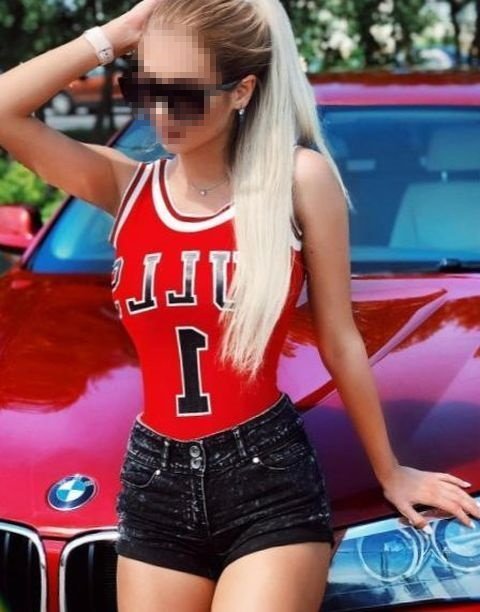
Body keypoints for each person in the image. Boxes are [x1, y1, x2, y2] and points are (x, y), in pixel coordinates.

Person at [1, 0, 479, 610]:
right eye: (146, 89)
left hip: (266, 475)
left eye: (184, 94)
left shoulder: (297, 181)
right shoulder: (127, 186)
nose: (161, 112)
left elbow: (339, 337)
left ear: (242, 91)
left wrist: (390, 471)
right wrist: (116, 34)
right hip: (155, 481)